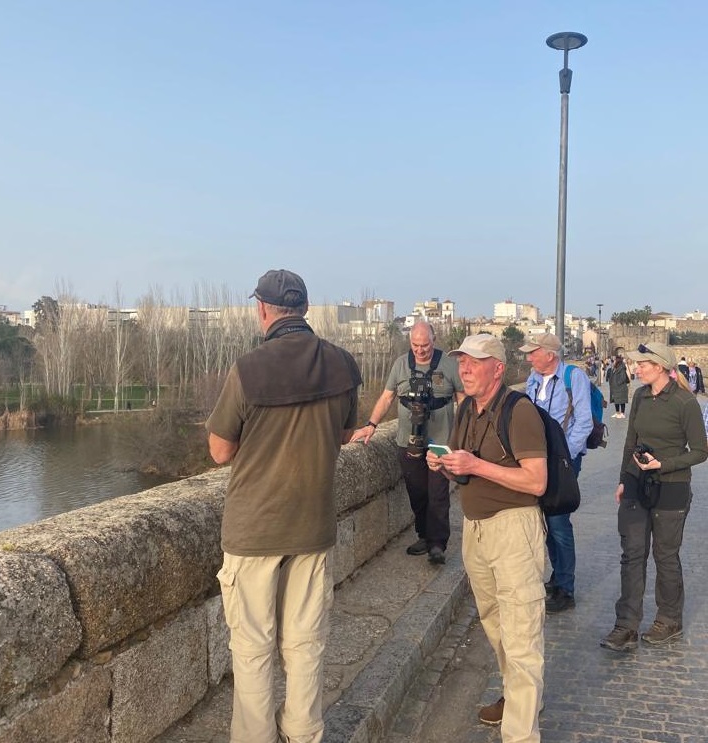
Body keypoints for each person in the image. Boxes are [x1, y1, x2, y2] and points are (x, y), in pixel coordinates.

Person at [205, 269, 362, 742]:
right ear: (306, 310)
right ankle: (304, 733)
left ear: (263, 310)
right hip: (312, 525)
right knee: (306, 644)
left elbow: (220, 450)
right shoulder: (344, 366)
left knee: (253, 650)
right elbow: (346, 434)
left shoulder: (249, 369)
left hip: (254, 529)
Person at [427, 333, 547, 741]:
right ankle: (517, 696)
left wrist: (475, 464)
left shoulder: (520, 411)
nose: (464, 368)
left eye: (474, 362)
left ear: (497, 368)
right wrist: (445, 464)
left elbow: (536, 481)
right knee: (495, 625)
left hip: (514, 529)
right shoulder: (466, 410)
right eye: (462, 361)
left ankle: (521, 734)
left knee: (521, 634)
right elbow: (464, 470)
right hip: (476, 531)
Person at [600, 342, 708, 652]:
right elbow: (630, 441)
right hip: (637, 484)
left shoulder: (685, 403)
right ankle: (626, 626)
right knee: (632, 554)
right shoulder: (640, 396)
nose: (636, 368)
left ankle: (669, 620)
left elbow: (701, 451)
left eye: (642, 364)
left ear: (659, 366)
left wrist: (665, 463)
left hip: (672, 488)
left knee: (665, 556)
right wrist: (623, 479)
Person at [351, 321, 463, 565]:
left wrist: (464, 435)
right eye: (415, 345)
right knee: (417, 492)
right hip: (408, 440)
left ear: (434, 340)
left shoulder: (449, 365)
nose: (420, 350)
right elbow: (387, 397)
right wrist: (371, 424)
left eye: (425, 345)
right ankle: (424, 534)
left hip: (441, 441)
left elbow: (462, 400)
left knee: (438, 493)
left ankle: (437, 543)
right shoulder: (401, 364)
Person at [520, 333, 592, 613]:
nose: (528, 358)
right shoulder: (532, 379)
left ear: (550, 354)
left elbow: (583, 422)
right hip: (538, 460)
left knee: (559, 522)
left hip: (563, 461)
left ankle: (566, 588)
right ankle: (557, 574)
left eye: (533, 353)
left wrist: (565, 456)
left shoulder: (574, 377)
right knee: (546, 520)